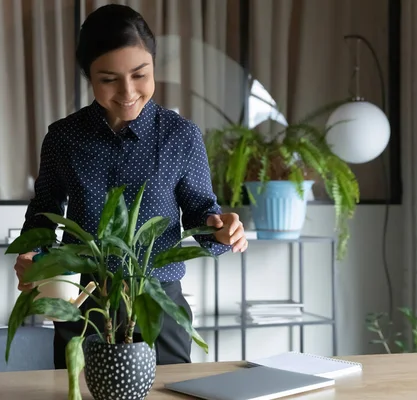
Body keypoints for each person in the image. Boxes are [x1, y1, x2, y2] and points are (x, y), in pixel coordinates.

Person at [14, 4, 248, 369]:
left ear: (154, 66)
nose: (127, 91)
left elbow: (204, 215)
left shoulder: (180, 136)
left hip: (157, 302)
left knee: (170, 392)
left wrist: (223, 230)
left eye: (140, 74)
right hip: (85, 300)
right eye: (109, 79)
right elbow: (45, 211)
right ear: (88, 76)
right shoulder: (63, 137)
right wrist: (33, 256)